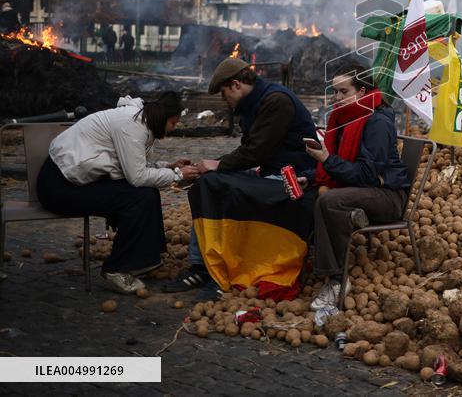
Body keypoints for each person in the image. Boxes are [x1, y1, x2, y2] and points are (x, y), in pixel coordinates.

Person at [165, 57, 318, 296]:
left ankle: (225, 268)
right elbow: (248, 150)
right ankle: (201, 265)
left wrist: (218, 164)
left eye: (224, 93)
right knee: (206, 183)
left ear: (236, 85)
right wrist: (211, 167)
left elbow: (257, 152)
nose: (224, 100)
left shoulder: (276, 101)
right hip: (268, 171)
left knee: (221, 186)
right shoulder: (252, 103)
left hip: (291, 178)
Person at [36, 93, 199, 294]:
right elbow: (137, 177)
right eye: (173, 123)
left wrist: (168, 166)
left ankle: (144, 258)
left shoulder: (138, 120)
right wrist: (177, 175)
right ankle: (116, 268)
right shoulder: (132, 126)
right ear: (162, 118)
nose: (173, 128)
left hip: (76, 180)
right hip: (59, 187)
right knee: (139, 198)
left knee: (146, 193)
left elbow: (133, 165)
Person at [307, 65, 410, 312]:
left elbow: (365, 174)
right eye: (335, 91)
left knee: (330, 201)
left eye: (344, 91)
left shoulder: (377, 122)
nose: (337, 97)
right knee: (309, 194)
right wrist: (309, 176)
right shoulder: (345, 117)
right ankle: (305, 258)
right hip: (364, 187)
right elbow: (345, 163)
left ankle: (337, 279)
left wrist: (326, 160)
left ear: (362, 91)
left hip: (388, 196)